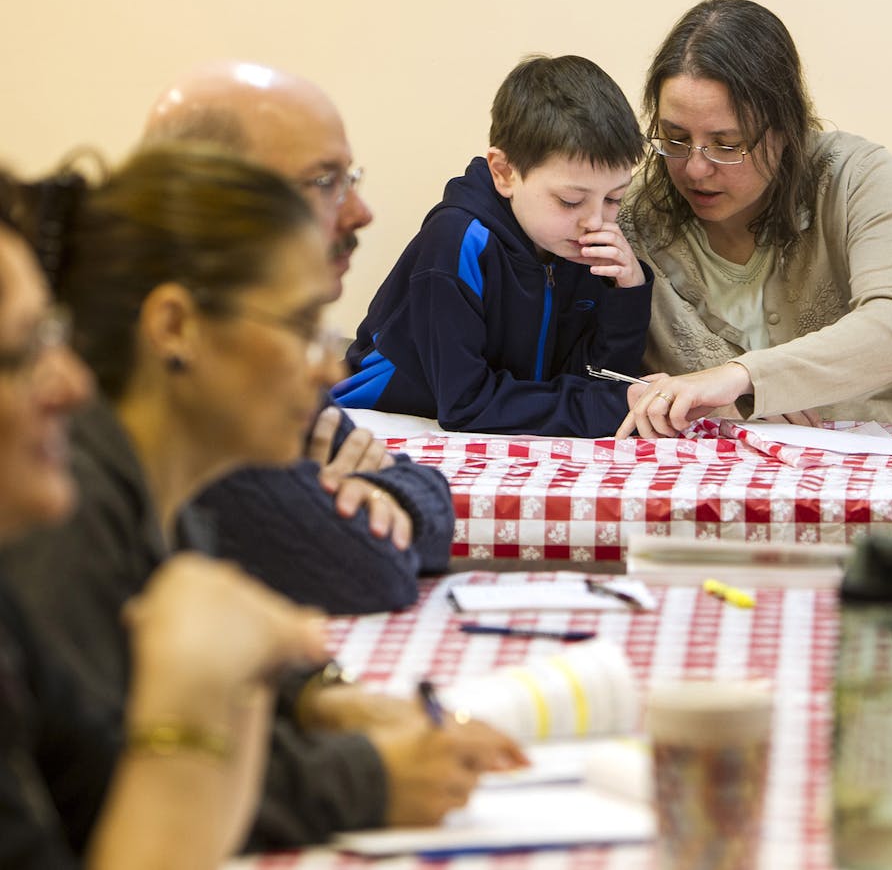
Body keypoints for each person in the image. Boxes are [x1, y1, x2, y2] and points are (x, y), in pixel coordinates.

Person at [0, 146, 525, 850]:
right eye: (302, 326)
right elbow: (110, 793)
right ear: (175, 328)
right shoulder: (68, 514)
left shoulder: (163, 488)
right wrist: (364, 777)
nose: (331, 365)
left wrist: (317, 698)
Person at [0, 168, 333, 869]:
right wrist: (192, 705)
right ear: (173, 325)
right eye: (26, 349)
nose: (72, 382)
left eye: (54, 334)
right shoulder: (71, 525)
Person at [141, 60, 455, 613]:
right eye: (326, 182)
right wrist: (327, 494)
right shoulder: (194, 363)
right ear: (213, 196)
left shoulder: (259, 334)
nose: (361, 213)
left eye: (350, 180)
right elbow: (371, 574)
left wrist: (381, 494)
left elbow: (430, 504)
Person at [616, 0, 892, 439]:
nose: (696, 169)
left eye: (727, 143)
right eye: (675, 138)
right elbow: (585, 371)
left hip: (858, 474)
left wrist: (741, 378)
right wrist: (694, 401)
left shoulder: (855, 177)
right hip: (699, 488)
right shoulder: (627, 212)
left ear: (785, 130)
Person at [334, 54, 655, 437]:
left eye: (614, 198)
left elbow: (594, 380)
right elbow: (465, 405)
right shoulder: (456, 240)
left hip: (499, 432)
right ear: (504, 173)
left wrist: (628, 295)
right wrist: (611, 404)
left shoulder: (578, 243)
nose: (595, 221)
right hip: (377, 425)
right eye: (570, 201)